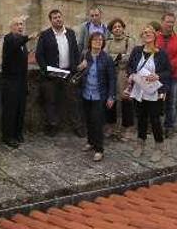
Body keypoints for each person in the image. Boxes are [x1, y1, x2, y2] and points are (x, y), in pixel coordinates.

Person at [126, 25, 172, 162]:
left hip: (154, 91)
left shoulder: (161, 53)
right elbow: (129, 67)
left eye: (150, 32)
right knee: (140, 118)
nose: (147, 35)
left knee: (155, 119)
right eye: (144, 33)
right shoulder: (136, 50)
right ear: (142, 36)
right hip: (139, 90)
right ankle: (140, 144)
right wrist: (131, 74)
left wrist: (157, 75)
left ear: (155, 36)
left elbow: (168, 71)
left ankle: (159, 147)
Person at [34, 9, 82, 136]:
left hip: (68, 72)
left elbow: (76, 52)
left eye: (59, 17)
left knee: (73, 100)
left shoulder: (70, 33)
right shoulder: (45, 35)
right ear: (51, 21)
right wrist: (46, 71)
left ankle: (77, 126)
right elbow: (39, 55)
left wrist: (75, 66)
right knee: (51, 101)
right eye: (55, 18)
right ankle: (53, 125)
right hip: (52, 74)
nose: (58, 19)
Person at [76, 32, 116, 161]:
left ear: (103, 43)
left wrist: (111, 96)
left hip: (100, 95)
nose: (98, 42)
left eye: (100, 40)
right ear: (90, 41)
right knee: (88, 119)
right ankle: (91, 142)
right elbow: (77, 71)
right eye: (95, 39)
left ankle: (99, 149)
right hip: (86, 93)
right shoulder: (84, 55)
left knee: (98, 122)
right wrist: (80, 67)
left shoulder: (107, 58)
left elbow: (112, 79)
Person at [1, 16, 30, 147]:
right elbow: (15, 45)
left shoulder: (21, 42)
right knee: (10, 110)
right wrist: (28, 37)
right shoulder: (9, 39)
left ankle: (18, 133)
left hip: (21, 82)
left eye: (21, 24)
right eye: (17, 24)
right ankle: (8, 136)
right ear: (11, 27)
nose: (20, 26)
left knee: (20, 109)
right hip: (10, 82)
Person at [156, 13, 177, 137]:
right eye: (168, 22)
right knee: (156, 101)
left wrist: (167, 68)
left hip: (172, 76)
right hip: (157, 76)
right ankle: (155, 125)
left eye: (172, 22)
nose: (170, 24)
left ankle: (169, 126)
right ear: (162, 22)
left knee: (171, 102)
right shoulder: (156, 37)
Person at [105, 18, 133, 141]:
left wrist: (115, 57)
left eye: (119, 26)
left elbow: (129, 57)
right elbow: (105, 56)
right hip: (111, 74)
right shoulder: (108, 41)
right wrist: (119, 56)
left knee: (126, 100)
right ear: (111, 30)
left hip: (124, 74)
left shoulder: (129, 41)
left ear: (123, 28)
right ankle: (111, 126)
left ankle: (127, 129)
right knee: (111, 100)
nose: (117, 29)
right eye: (114, 27)